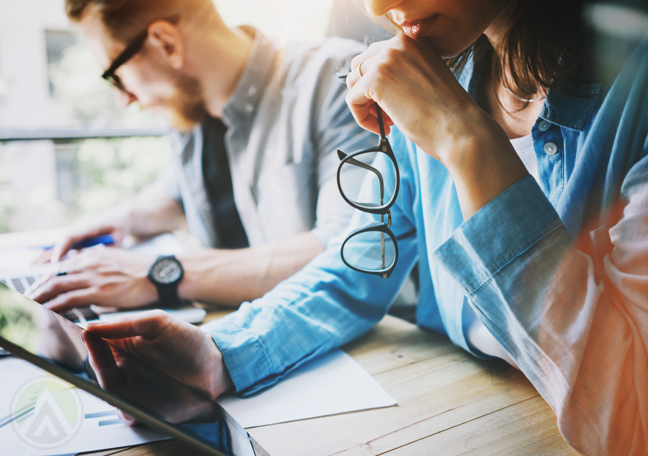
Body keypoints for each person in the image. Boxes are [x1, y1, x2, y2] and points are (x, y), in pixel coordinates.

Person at [82, 0, 648, 454]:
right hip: (454, 400)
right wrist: (220, 353)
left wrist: (464, 139)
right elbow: (358, 265)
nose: (378, 7)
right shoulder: (433, 73)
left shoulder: (634, 93)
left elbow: (628, 419)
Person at [26, 0, 375, 312]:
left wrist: (161, 272)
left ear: (167, 43)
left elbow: (350, 249)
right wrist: (121, 221)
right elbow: (177, 192)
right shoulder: (187, 109)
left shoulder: (338, 79)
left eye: (115, 76)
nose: (125, 98)